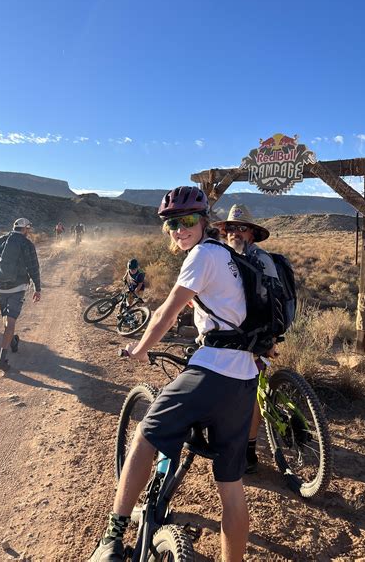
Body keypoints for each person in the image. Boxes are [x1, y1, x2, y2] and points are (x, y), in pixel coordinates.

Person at [88, 186, 258, 562]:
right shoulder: (230, 257)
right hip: (244, 379)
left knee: (145, 436)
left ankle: (110, 539)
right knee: (230, 487)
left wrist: (140, 348)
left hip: (212, 372)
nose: (179, 230)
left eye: (186, 222)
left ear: (203, 222)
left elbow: (168, 310)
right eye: (171, 225)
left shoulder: (202, 254)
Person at [212, 204, 278, 474]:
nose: (234, 232)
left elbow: (270, 302)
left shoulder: (259, 260)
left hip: (253, 338)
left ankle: (248, 452)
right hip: (231, 337)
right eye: (230, 227)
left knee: (248, 397)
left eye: (242, 228)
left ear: (252, 233)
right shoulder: (225, 258)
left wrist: (267, 339)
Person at [0, 218, 41, 372]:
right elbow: (33, 267)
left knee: (6, 318)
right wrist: (38, 288)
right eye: (28, 229)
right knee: (10, 323)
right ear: (26, 229)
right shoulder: (27, 244)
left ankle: (12, 341)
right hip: (18, 287)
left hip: (0, 287)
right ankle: (1, 360)